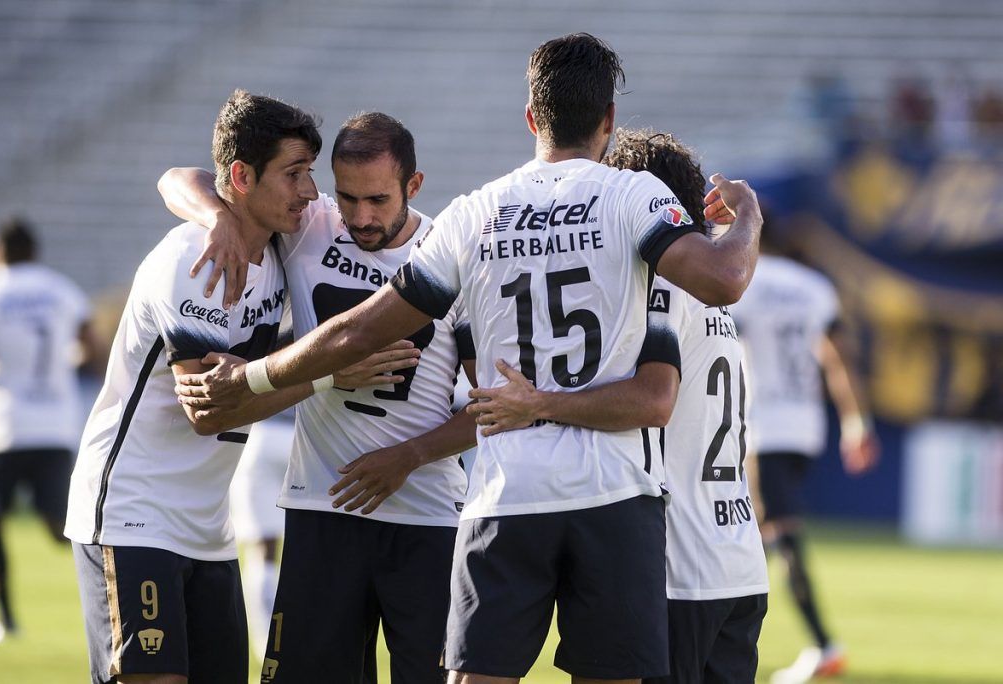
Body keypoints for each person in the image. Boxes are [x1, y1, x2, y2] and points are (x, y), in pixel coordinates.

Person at [175, 33, 762, 684]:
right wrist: (749, 217)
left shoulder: (473, 214)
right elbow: (724, 279)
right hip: (614, 494)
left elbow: (360, 331)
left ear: (531, 118)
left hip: (509, 491)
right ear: (608, 121)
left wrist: (253, 376)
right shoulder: (634, 198)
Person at [157, 111, 478, 684]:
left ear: (415, 185)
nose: (361, 217)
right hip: (320, 509)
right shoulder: (311, 224)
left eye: (378, 200)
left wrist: (407, 457)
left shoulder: (451, 256)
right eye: (348, 198)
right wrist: (217, 218)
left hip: (428, 516)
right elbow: (178, 178)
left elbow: (491, 407)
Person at [466, 129, 770, 684]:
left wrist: (538, 404)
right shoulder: (712, 301)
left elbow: (652, 399)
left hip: (678, 565)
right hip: (738, 558)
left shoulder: (658, 287)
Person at [63, 89, 330, 684]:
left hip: (208, 531)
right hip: (133, 516)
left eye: (308, 173)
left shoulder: (283, 239)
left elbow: (179, 177)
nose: (309, 192)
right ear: (241, 175)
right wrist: (330, 374)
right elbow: (210, 411)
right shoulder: (193, 262)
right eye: (294, 175)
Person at [733, 219, 879, 684]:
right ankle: (733, 638)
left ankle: (822, 645)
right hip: (806, 428)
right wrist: (856, 421)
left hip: (762, 425)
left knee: (772, 534)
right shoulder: (816, 287)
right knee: (753, 533)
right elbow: (839, 359)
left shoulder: (744, 280)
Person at [0, 218, 100, 643]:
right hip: (55, 422)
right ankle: (107, 583)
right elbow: (91, 345)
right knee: (60, 524)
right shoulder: (60, 289)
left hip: (5, 424)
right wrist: (64, 365)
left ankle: (6, 620)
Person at [229, 409, 294, 659]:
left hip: (262, 434)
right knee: (313, 545)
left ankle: (267, 643)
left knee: (262, 551)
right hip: (306, 439)